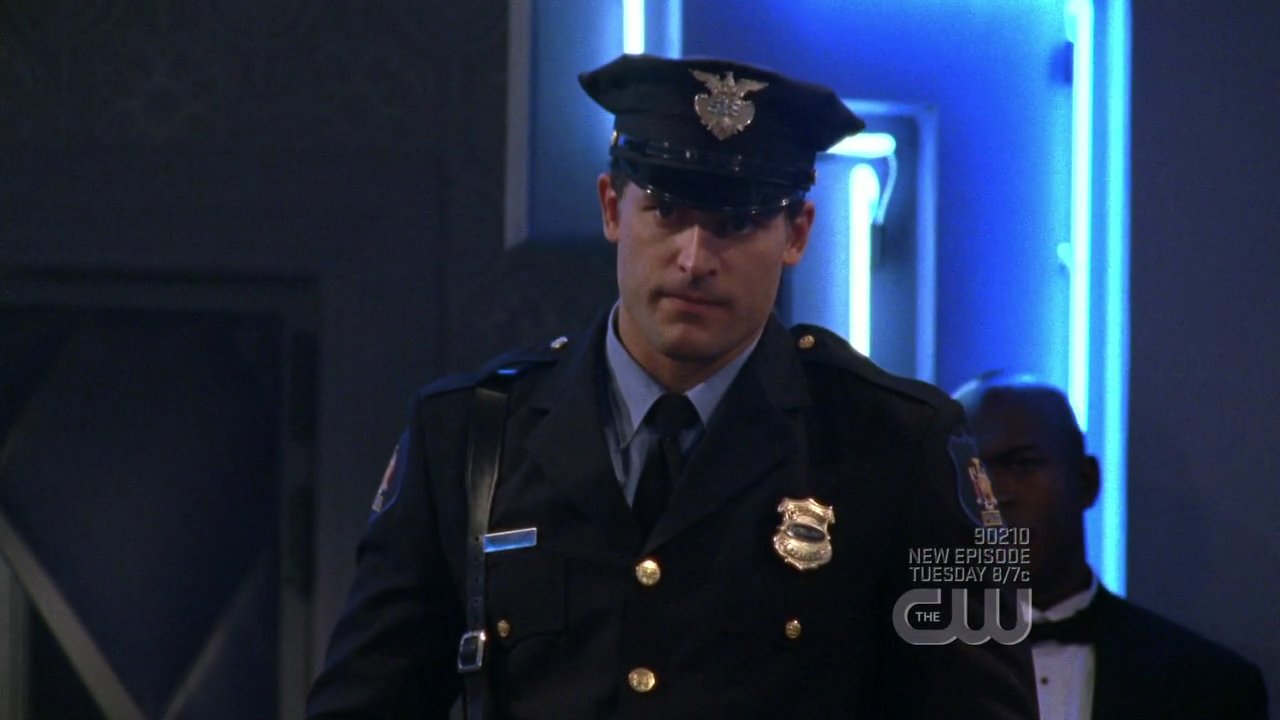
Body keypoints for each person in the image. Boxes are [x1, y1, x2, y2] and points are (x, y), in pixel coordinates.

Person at [306, 54, 1039, 719]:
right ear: (611, 207)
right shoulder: (467, 436)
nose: (694, 259)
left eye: (737, 222)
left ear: (796, 234)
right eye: (667, 211)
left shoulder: (914, 443)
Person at [954, 371, 1269, 720]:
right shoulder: (908, 667)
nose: (994, 496)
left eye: (1022, 464)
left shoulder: (1209, 685)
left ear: (1086, 481)